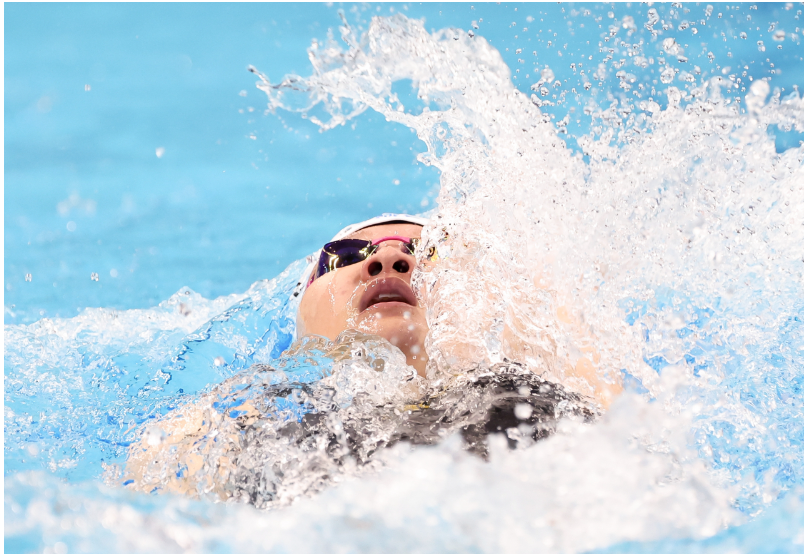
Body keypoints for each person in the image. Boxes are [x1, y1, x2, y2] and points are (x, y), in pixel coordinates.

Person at [121, 214, 620, 503]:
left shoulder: (541, 389)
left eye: (428, 252)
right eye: (345, 255)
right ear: (301, 323)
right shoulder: (245, 416)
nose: (389, 259)